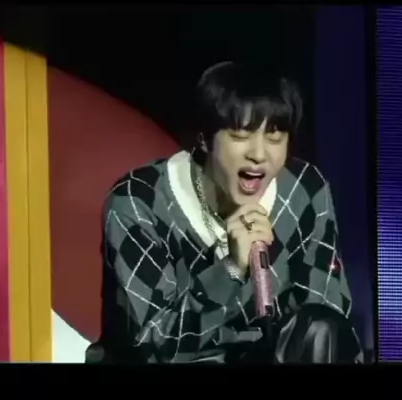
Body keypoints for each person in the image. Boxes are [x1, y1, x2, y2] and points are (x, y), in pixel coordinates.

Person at [87, 61, 363, 364]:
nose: (258, 154)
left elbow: (326, 320)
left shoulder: (305, 192)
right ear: (204, 138)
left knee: (321, 327)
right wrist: (229, 270)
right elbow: (151, 346)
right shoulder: (140, 201)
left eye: (274, 136)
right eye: (241, 135)